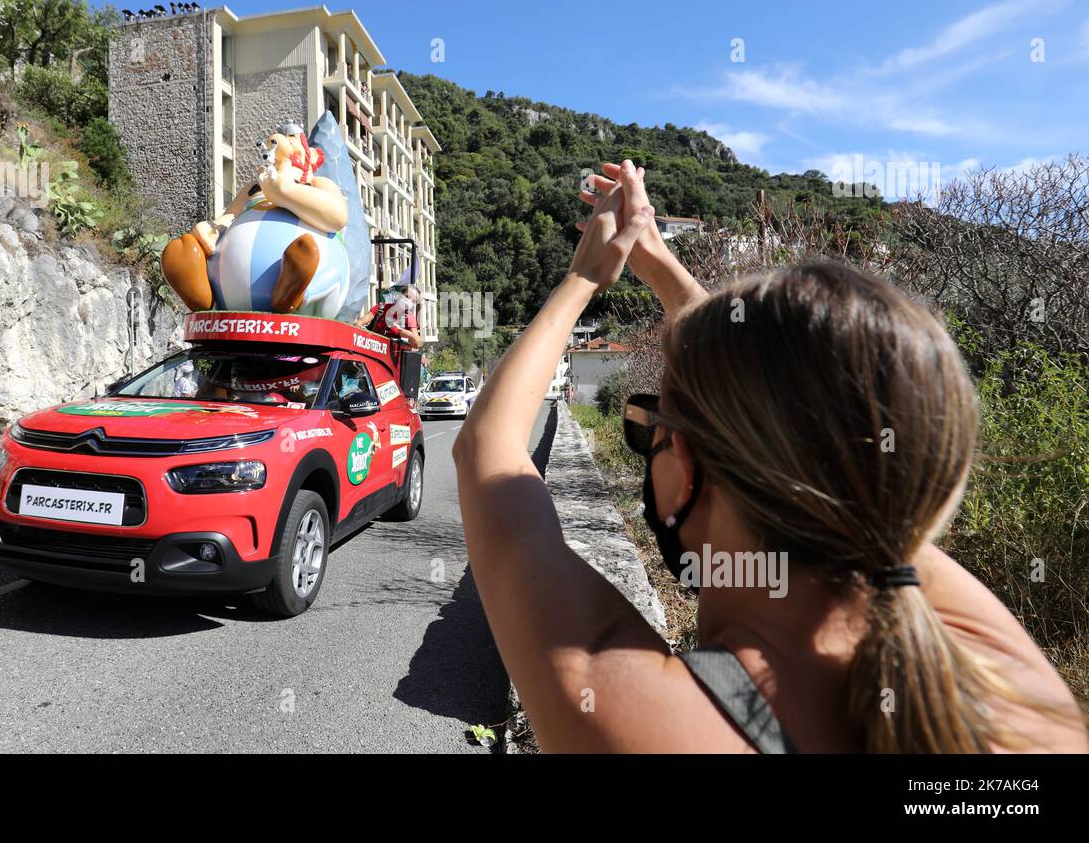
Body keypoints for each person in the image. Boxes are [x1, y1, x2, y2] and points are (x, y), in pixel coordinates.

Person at [453, 159, 1087, 753]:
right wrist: (659, 260)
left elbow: (487, 448)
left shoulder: (639, 719)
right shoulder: (1018, 690)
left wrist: (584, 277)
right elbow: (823, 421)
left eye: (655, 428)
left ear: (688, 470)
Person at [357, 284, 422, 349]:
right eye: (407, 296)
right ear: (400, 295)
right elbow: (358, 324)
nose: (409, 301)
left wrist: (401, 331)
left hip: (390, 355)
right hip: (371, 349)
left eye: (414, 301)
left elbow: (417, 344)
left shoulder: (409, 318)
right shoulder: (381, 308)